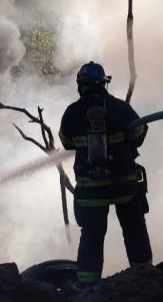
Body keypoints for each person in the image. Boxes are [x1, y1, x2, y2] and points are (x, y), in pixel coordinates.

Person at [59, 61, 152, 285]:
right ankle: (145, 278)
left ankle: (88, 286)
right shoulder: (121, 108)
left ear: (80, 85)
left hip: (91, 191)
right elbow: (139, 133)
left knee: (91, 236)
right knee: (134, 230)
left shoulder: (72, 113)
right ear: (104, 84)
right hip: (125, 187)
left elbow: (66, 142)